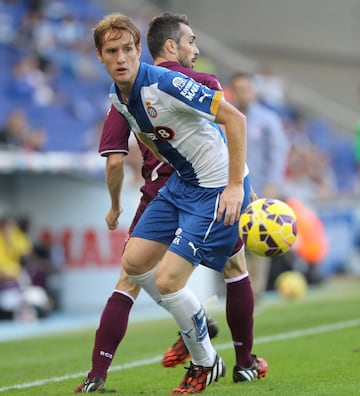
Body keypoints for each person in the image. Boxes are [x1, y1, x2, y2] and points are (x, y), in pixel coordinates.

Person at [76, 13, 267, 394]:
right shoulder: (118, 95)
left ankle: (205, 361)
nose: (121, 58)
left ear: (138, 51)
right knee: (132, 262)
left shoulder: (166, 82)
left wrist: (235, 186)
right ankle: (199, 323)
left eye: (127, 49)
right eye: (111, 51)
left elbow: (236, 119)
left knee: (169, 279)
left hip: (215, 189)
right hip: (182, 184)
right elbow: (150, 138)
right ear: (100, 56)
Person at [230, 72, 289, 302]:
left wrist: (274, 183)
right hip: (234, 190)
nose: (243, 94)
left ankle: (255, 293)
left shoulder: (268, 120)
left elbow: (277, 153)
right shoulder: (228, 117)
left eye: (246, 89)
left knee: (258, 241)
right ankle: (239, 289)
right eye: (238, 89)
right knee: (234, 243)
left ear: (253, 91)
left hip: (262, 190)